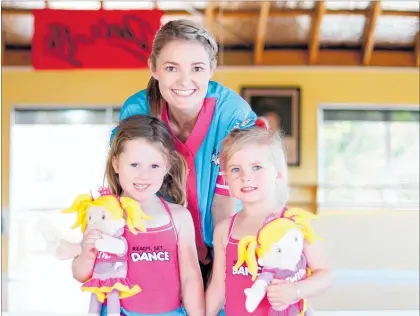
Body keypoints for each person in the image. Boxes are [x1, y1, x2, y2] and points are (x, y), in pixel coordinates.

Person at [113, 19, 257, 284]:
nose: (185, 80)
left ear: (211, 69)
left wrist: (218, 275)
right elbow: (129, 189)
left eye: (197, 68)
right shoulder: (137, 110)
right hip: (155, 246)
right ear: (153, 68)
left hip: (228, 244)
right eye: (171, 68)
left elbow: (225, 200)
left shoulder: (232, 114)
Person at [72, 115, 204, 316]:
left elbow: (191, 278)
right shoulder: (102, 215)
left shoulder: (178, 217)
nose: (144, 174)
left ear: (167, 166)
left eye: (154, 166)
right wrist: (88, 253)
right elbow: (80, 274)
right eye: (134, 165)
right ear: (116, 163)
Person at [205, 123, 332, 315]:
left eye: (256, 167)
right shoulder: (224, 230)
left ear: (278, 174)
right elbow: (218, 286)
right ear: (226, 179)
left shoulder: (294, 222)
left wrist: (295, 291)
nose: (245, 176)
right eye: (235, 169)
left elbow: (325, 274)